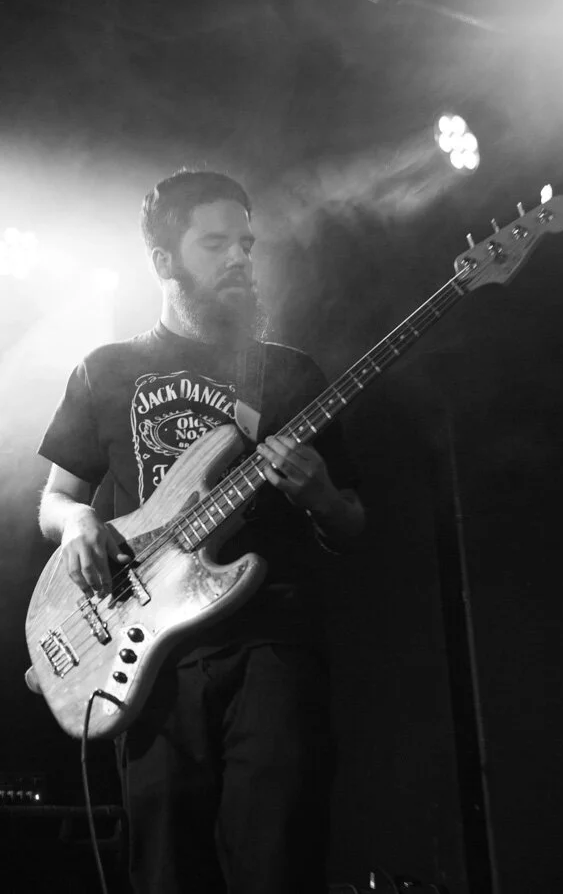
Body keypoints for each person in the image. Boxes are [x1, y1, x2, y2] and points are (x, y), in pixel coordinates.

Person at [37, 169, 365, 894]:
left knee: (277, 859)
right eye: (216, 244)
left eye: (245, 244)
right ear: (164, 260)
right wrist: (79, 523)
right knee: (165, 869)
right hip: (147, 655)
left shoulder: (290, 374)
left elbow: (350, 524)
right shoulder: (105, 370)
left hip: (272, 639)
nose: (239, 259)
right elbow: (57, 499)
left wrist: (318, 495)